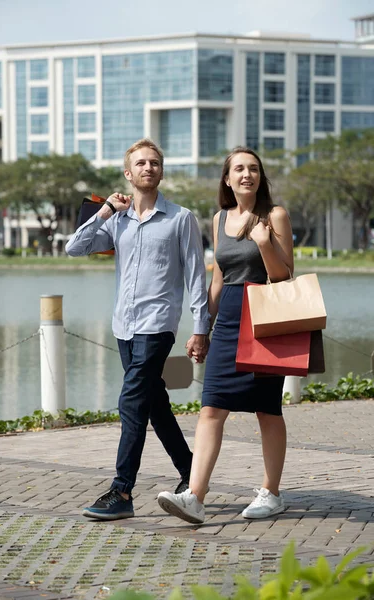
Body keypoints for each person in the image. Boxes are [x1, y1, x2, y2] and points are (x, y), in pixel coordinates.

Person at [66, 138, 210, 521]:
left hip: (157, 326)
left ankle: (122, 490)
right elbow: (73, 248)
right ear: (128, 174)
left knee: (131, 403)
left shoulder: (181, 219)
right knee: (155, 406)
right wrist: (104, 211)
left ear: (161, 171)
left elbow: (197, 277)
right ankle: (192, 474)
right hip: (124, 327)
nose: (149, 168)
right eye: (141, 164)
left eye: (155, 163)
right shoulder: (117, 221)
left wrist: (200, 328)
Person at [157, 146, 294, 524]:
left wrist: (264, 242)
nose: (246, 174)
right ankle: (195, 497)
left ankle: (272, 492)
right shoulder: (219, 219)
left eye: (253, 168)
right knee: (211, 406)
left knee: (267, 408)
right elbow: (218, 278)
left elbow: (283, 276)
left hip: (264, 316)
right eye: (239, 169)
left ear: (260, 178)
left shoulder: (275, 215)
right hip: (229, 319)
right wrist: (203, 327)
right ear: (227, 178)